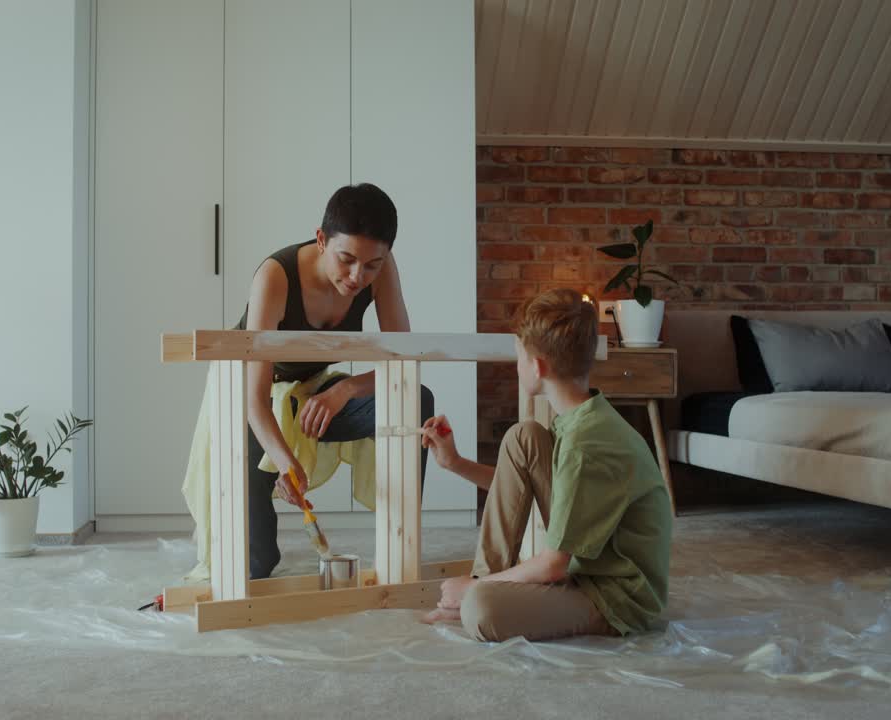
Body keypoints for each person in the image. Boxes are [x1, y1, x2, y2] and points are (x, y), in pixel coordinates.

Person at [419, 289, 671, 642]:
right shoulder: (580, 419)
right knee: (524, 436)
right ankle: (477, 584)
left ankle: (472, 594)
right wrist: (455, 463)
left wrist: (471, 592)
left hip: (615, 596)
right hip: (591, 566)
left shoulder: (586, 444)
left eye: (518, 356)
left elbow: (554, 565)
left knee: (482, 608)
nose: (516, 365)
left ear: (537, 366)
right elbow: (529, 488)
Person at [235, 183, 434, 579]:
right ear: (321, 239)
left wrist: (345, 390)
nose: (359, 276)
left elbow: (402, 362)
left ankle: (401, 545)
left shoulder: (380, 269)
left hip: (314, 391)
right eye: (346, 259)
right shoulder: (274, 277)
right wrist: (284, 462)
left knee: (416, 399)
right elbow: (254, 398)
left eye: (373, 264)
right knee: (257, 564)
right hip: (255, 403)